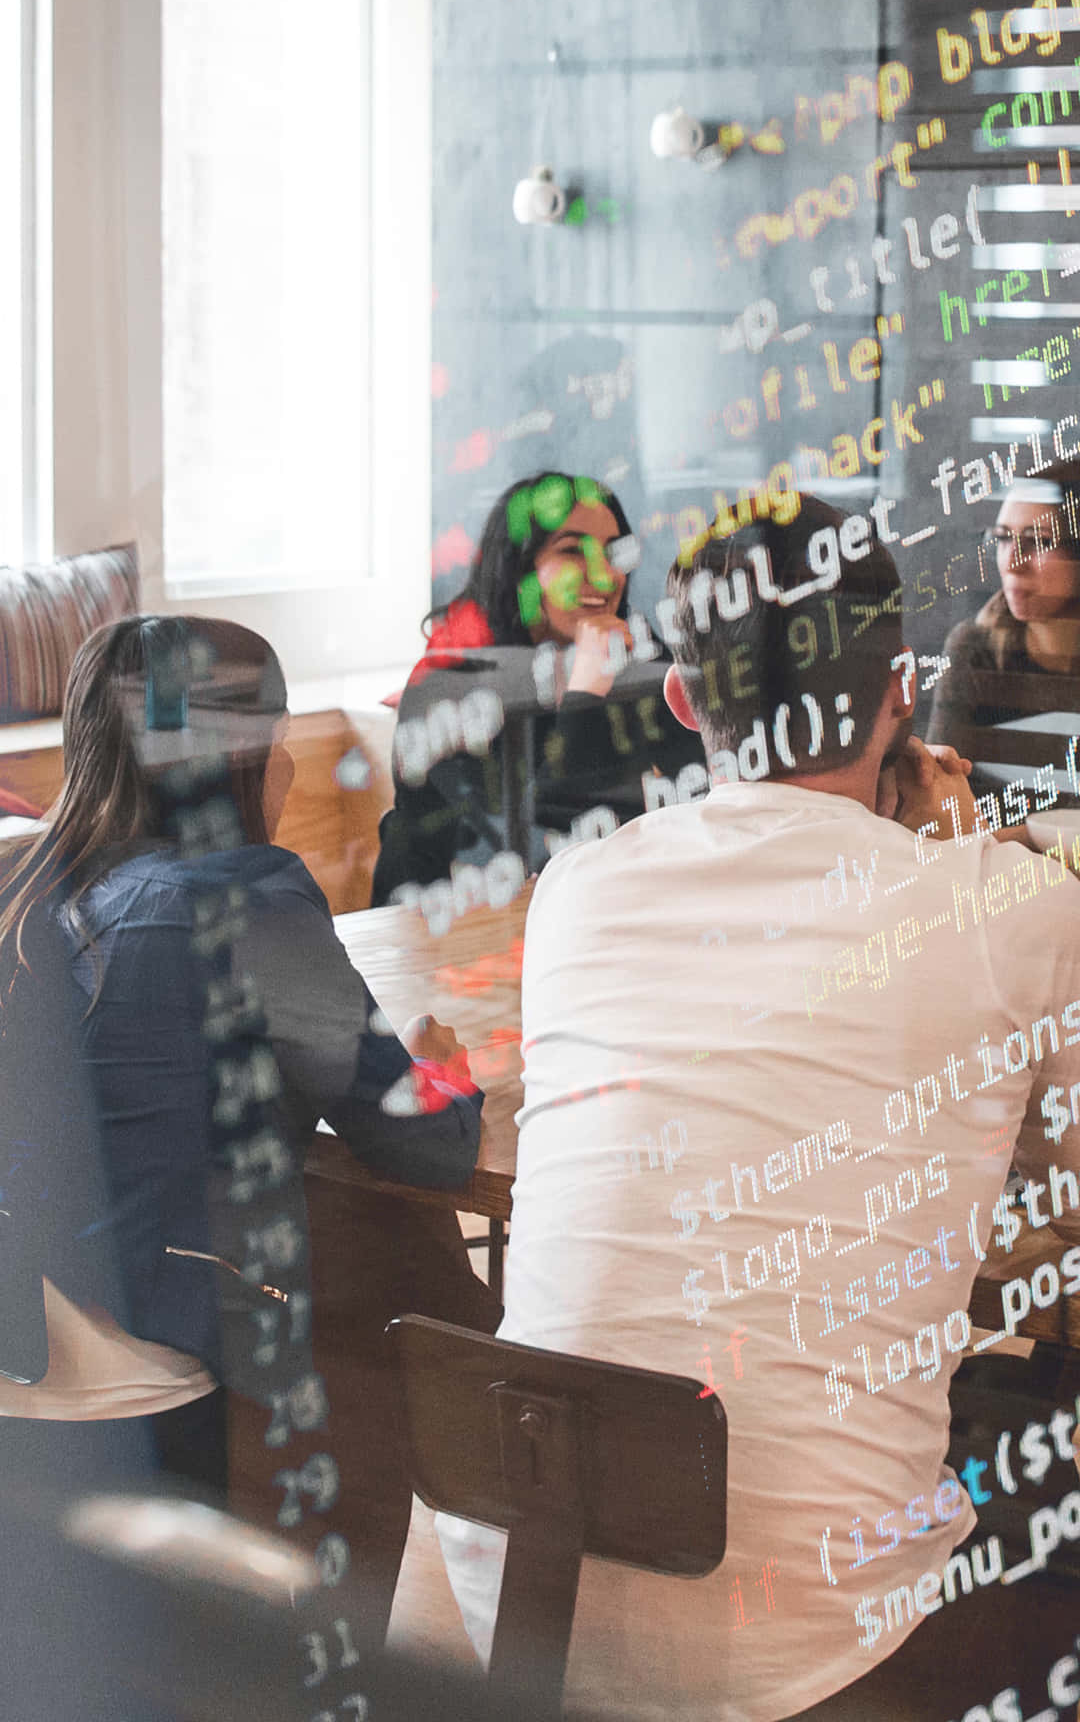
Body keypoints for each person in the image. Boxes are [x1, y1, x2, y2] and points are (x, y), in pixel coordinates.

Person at [435, 499, 1080, 1721]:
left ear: (684, 700)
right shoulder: (1010, 909)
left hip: (522, 1601)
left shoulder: (576, 895)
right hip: (814, 1650)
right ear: (903, 686)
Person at [0, 616, 496, 1542]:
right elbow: (421, 1141)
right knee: (393, 1254)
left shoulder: (26, 890)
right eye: (277, 744)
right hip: (147, 1381)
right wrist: (447, 1073)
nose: (292, 771)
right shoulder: (247, 900)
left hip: (19, 1352)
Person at [370, 470, 701, 906]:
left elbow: (701, 776)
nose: (604, 577)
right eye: (572, 552)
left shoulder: (626, 646)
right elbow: (536, 838)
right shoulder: (450, 682)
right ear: (518, 569)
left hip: (594, 908)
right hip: (455, 931)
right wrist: (587, 695)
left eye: (610, 552)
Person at [926, 461, 1080, 808]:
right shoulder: (975, 650)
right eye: (1002, 539)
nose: (1012, 562)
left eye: (1037, 541)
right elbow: (936, 805)